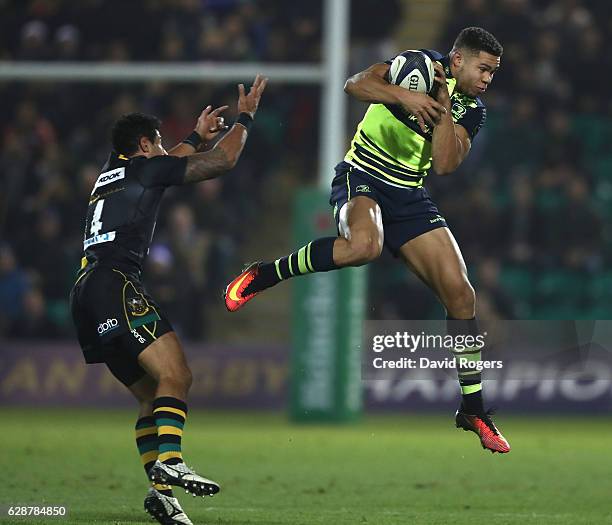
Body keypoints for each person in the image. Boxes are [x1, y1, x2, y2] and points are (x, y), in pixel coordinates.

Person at [225, 28, 510, 454]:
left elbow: (447, 164)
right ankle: (266, 274)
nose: (488, 78)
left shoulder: (474, 110)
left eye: (493, 72)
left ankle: (473, 408)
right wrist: (404, 96)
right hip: (363, 174)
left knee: (462, 296)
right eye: (483, 68)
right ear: (457, 60)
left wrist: (445, 111)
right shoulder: (415, 64)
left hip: (410, 194)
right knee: (364, 246)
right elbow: (355, 84)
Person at [70, 75, 267, 525]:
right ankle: (172, 461)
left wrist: (195, 135)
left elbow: (166, 164)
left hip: (86, 291)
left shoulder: (111, 173)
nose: (164, 149)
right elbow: (224, 160)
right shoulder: (144, 167)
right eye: (158, 142)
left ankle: (160, 494)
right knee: (176, 374)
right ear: (144, 144)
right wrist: (246, 117)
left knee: (150, 395)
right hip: (117, 283)